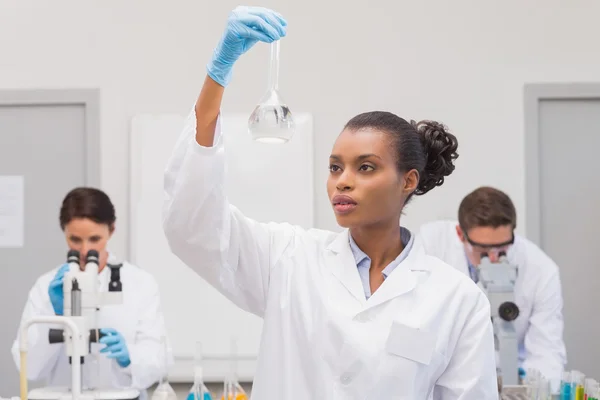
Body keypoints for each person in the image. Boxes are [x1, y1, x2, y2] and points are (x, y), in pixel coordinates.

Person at [162, 6, 498, 399]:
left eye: (366, 167)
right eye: (335, 167)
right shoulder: (286, 258)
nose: (343, 182)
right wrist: (217, 75)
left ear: (408, 181)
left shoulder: (455, 298)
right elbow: (192, 226)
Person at [12, 187, 170, 400]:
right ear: (64, 232)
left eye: (95, 239)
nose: (85, 251)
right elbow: (29, 368)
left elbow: (159, 360)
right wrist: (57, 317)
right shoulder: (46, 287)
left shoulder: (140, 284)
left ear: (111, 230)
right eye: (75, 240)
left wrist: (129, 357)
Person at [417, 186, 566, 391]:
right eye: (484, 251)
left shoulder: (541, 270)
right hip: (444, 376)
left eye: (503, 248)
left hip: (510, 377)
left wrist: (533, 391)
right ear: (461, 234)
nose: (495, 258)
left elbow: (546, 351)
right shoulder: (432, 245)